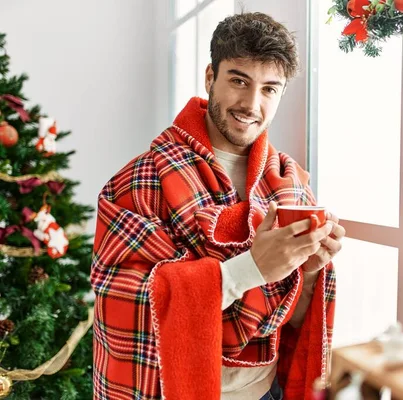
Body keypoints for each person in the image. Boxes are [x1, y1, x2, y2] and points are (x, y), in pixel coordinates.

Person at [90, 12, 345, 400]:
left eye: (269, 89)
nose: (251, 103)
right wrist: (253, 268)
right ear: (211, 77)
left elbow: (292, 321)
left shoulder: (291, 184)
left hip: (266, 391)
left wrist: (308, 274)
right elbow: (122, 300)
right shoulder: (141, 180)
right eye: (239, 81)